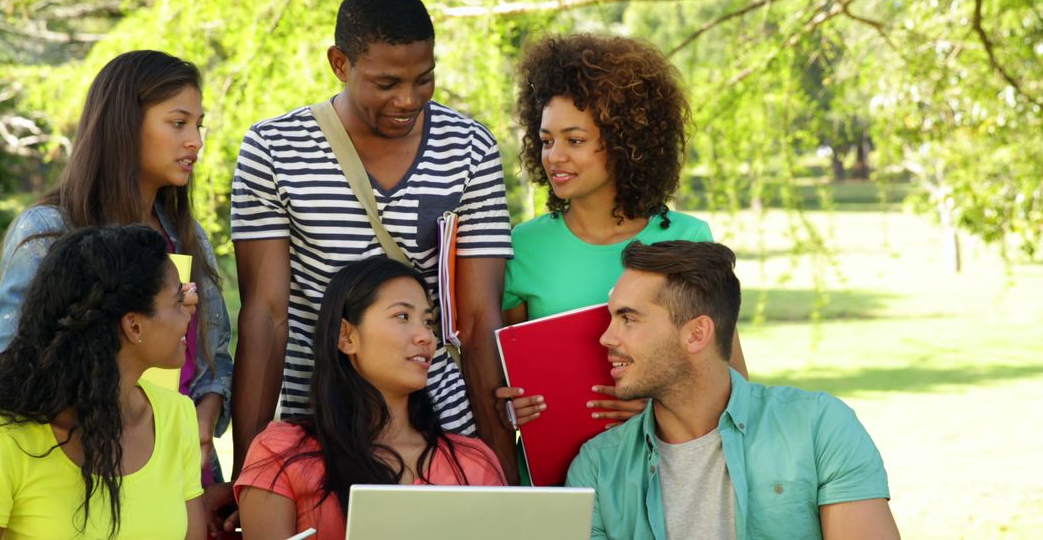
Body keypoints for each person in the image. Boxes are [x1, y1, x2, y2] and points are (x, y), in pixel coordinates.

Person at [229, 0, 514, 495]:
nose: (408, 100)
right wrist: (249, 472)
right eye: (386, 83)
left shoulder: (468, 148)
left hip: (441, 428)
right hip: (316, 431)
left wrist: (502, 471)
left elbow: (476, 320)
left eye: (424, 79)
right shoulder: (274, 149)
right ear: (340, 64)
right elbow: (266, 318)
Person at [496, 34, 748, 482]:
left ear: (626, 140)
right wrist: (508, 405)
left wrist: (657, 401)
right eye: (546, 139)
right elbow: (494, 373)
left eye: (574, 139)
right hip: (556, 482)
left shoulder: (689, 238)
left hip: (663, 477)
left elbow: (733, 382)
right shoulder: (521, 247)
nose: (555, 156)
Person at [0, 50, 233, 486]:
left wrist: (199, 426)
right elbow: (14, 361)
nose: (196, 140)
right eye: (178, 123)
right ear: (123, 124)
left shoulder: (187, 236)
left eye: (199, 124)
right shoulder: (47, 231)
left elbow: (215, 360)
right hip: (77, 470)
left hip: (184, 470)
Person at [566, 240, 899, 539]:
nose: (606, 338)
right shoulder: (598, 467)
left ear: (696, 334)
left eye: (628, 319)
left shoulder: (818, 427)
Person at [0, 225, 206, 539]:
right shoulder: (1, 441)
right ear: (134, 326)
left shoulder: (176, 416)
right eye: (177, 302)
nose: (189, 314)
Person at [234, 256, 505, 539]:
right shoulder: (280, 453)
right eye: (403, 316)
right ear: (345, 336)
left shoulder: (474, 462)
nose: (426, 335)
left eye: (428, 321)